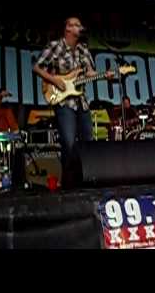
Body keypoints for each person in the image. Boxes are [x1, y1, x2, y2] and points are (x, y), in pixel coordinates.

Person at [33, 17, 114, 189]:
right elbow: (37, 68)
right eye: (76, 25)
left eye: (80, 25)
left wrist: (105, 75)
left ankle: (88, 178)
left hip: (81, 101)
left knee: (87, 140)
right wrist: (54, 80)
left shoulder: (83, 49)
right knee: (68, 142)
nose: (79, 27)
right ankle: (69, 183)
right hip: (64, 102)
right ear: (68, 28)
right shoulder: (55, 46)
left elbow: (89, 73)